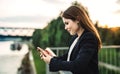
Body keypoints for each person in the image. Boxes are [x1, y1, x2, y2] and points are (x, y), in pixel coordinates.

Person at [37, 5, 102, 74]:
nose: (65, 27)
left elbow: (78, 65)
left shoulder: (89, 38)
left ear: (77, 20)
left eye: (67, 23)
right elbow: (67, 57)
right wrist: (51, 57)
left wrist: (51, 61)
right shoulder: (75, 38)